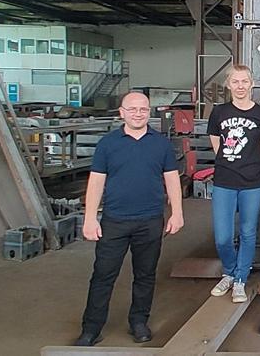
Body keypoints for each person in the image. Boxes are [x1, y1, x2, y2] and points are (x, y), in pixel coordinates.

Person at [75, 92, 184, 347]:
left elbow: (172, 179)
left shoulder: (161, 144)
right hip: (115, 221)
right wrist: (90, 218)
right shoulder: (108, 144)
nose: (138, 113)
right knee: (103, 275)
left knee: (145, 274)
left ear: (149, 112)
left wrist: (177, 212)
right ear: (121, 112)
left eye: (143, 109)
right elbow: (96, 182)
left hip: (150, 221)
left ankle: (138, 322)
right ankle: (91, 328)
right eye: (132, 109)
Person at [206, 65, 260, 303]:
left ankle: (240, 280)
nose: (240, 86)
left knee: (247, 232)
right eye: (235, 81)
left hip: (252, 183)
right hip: (224, 181)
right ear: (228, 85)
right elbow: (217, 145)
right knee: (222, 236)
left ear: (251, 83)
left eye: (244, 81)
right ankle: (229, 271)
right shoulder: (219, 112)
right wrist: (231, 161)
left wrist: (247, 163)